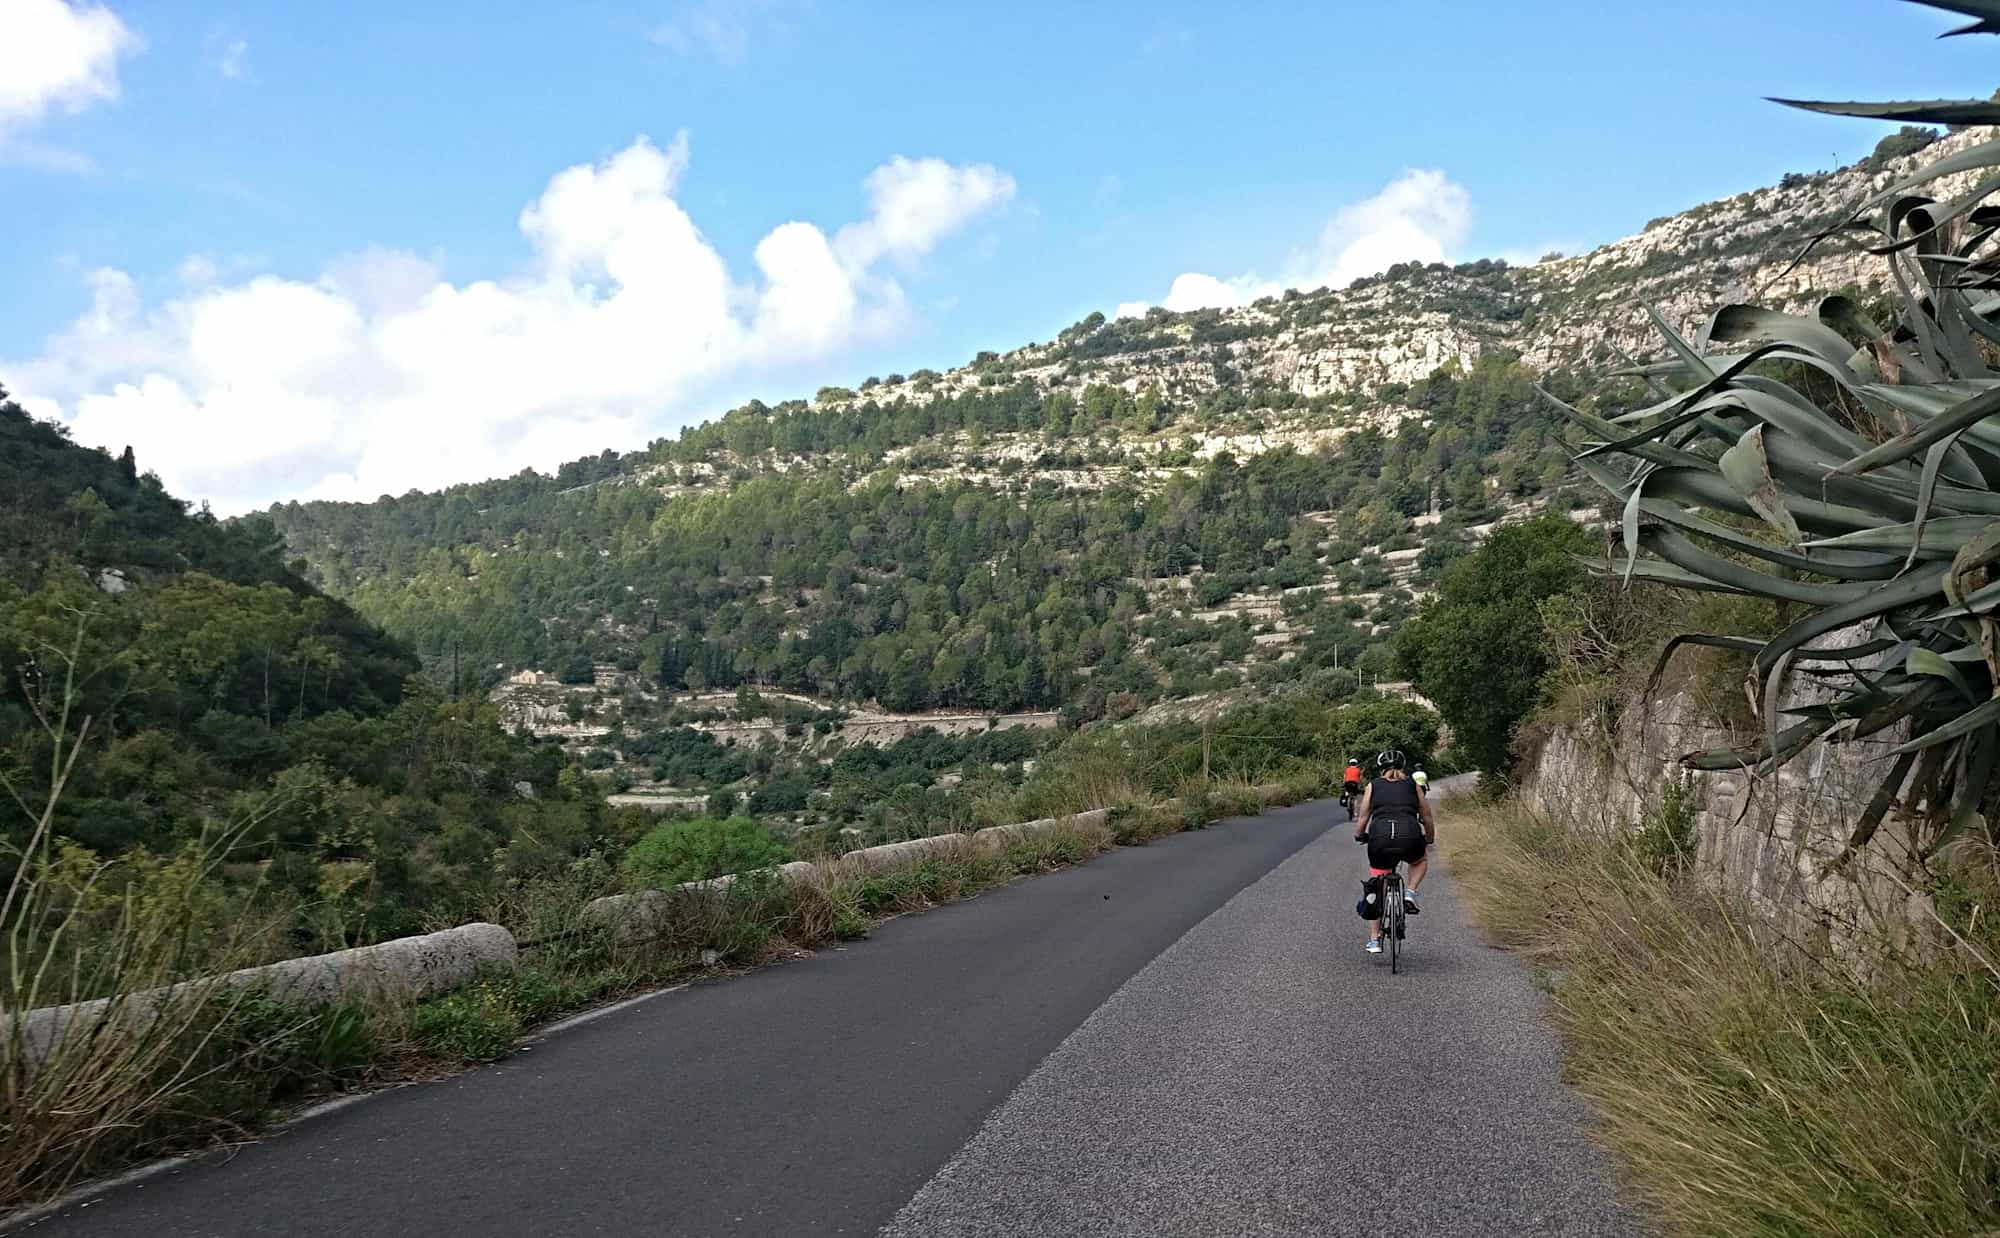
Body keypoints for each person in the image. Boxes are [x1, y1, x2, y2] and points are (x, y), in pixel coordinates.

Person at [1353, 747, 1436, 954]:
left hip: (1380, 837)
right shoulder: (1413, 785)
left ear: (1380, 769)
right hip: (1409, 834)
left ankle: (1374, 939)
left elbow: (1363, 817)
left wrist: (1359, 835)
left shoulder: (1373, 785)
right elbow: (1426, 815)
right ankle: (1410, 892)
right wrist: (1429, 838)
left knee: (1377, 885)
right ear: (1403, 767)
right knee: (1419, 860)